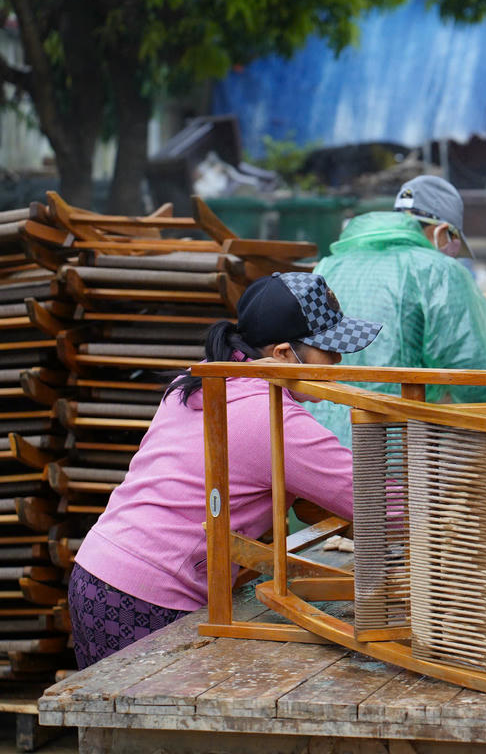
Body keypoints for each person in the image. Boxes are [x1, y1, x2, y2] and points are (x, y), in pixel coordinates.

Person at [68, 272, 382, 668]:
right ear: (284, 353)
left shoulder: (205, 378)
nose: (339, 361)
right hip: (149, 593)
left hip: (98, 569)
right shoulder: (269, 416)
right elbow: (377, 502)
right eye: (329, 350)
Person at [309, 175, 486, 445]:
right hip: (394, 445)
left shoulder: (328, 265)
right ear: (442, 231)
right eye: (454, 241)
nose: (453, 251)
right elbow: (468, 367)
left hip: (318, 438)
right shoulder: (438, 270)